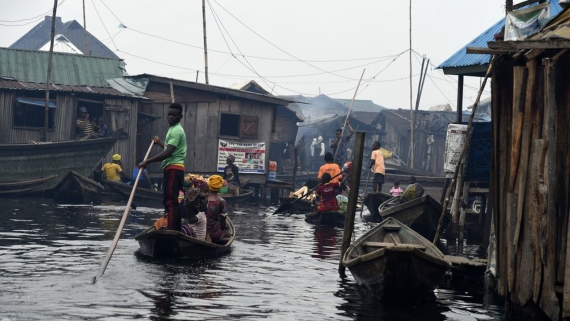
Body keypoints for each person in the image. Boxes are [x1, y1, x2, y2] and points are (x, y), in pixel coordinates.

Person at [139, 103, 187, 231]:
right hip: (173, 168)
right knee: (172, 202)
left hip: (173, 168)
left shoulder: (176, 130)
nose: (171, 117)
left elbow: (168, 152)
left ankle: (171, 231)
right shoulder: (172, 129)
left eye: (174, 115)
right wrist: (159, 141)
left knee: (170, 203)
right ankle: (175, 229)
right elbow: (168, 147)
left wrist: (147, 161)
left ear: (180, 117)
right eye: (169, 114)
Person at [205, 175, 232, 243]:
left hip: (202, 231)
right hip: (215, 233)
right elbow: (223, 219)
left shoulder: (203, 199)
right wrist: (224, 229)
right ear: (220, 187)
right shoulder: (222, 202)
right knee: (229, 234)